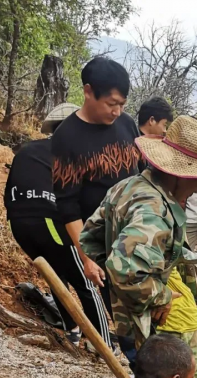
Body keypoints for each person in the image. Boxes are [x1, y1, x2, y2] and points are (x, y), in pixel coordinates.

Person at [80, 115, 197, 349]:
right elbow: (125, 270)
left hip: (123, 314)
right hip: (145, 326)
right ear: (183, 175)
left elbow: (90, 236)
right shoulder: (155, 212)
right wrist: (160, 296)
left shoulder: (129, 185)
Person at [4, 103, 112, 346]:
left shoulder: (28, 150)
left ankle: (72, 332)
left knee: (55, 276)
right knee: (84, 282)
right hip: (49, 221)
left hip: (18, 225)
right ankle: (105, 345)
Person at [51, 57, 140, 324]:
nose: (117, 111)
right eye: (111, 104)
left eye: (122, 105)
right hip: (107, 247)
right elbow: (68, 206)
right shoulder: (67, 137)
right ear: (88, 91)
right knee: (127, 321)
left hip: (142, 235)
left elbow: (143, 170)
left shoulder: (126, 124)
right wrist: (88, 258)